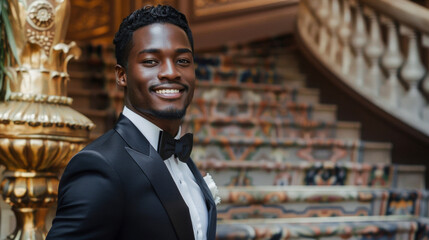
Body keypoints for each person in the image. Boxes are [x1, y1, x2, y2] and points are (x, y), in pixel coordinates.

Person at [47, 5, 217, 240]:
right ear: (121, 75)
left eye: (183, 60)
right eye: (150, 61)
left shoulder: (184, 161)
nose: (171, 72)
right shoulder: (99, 166)